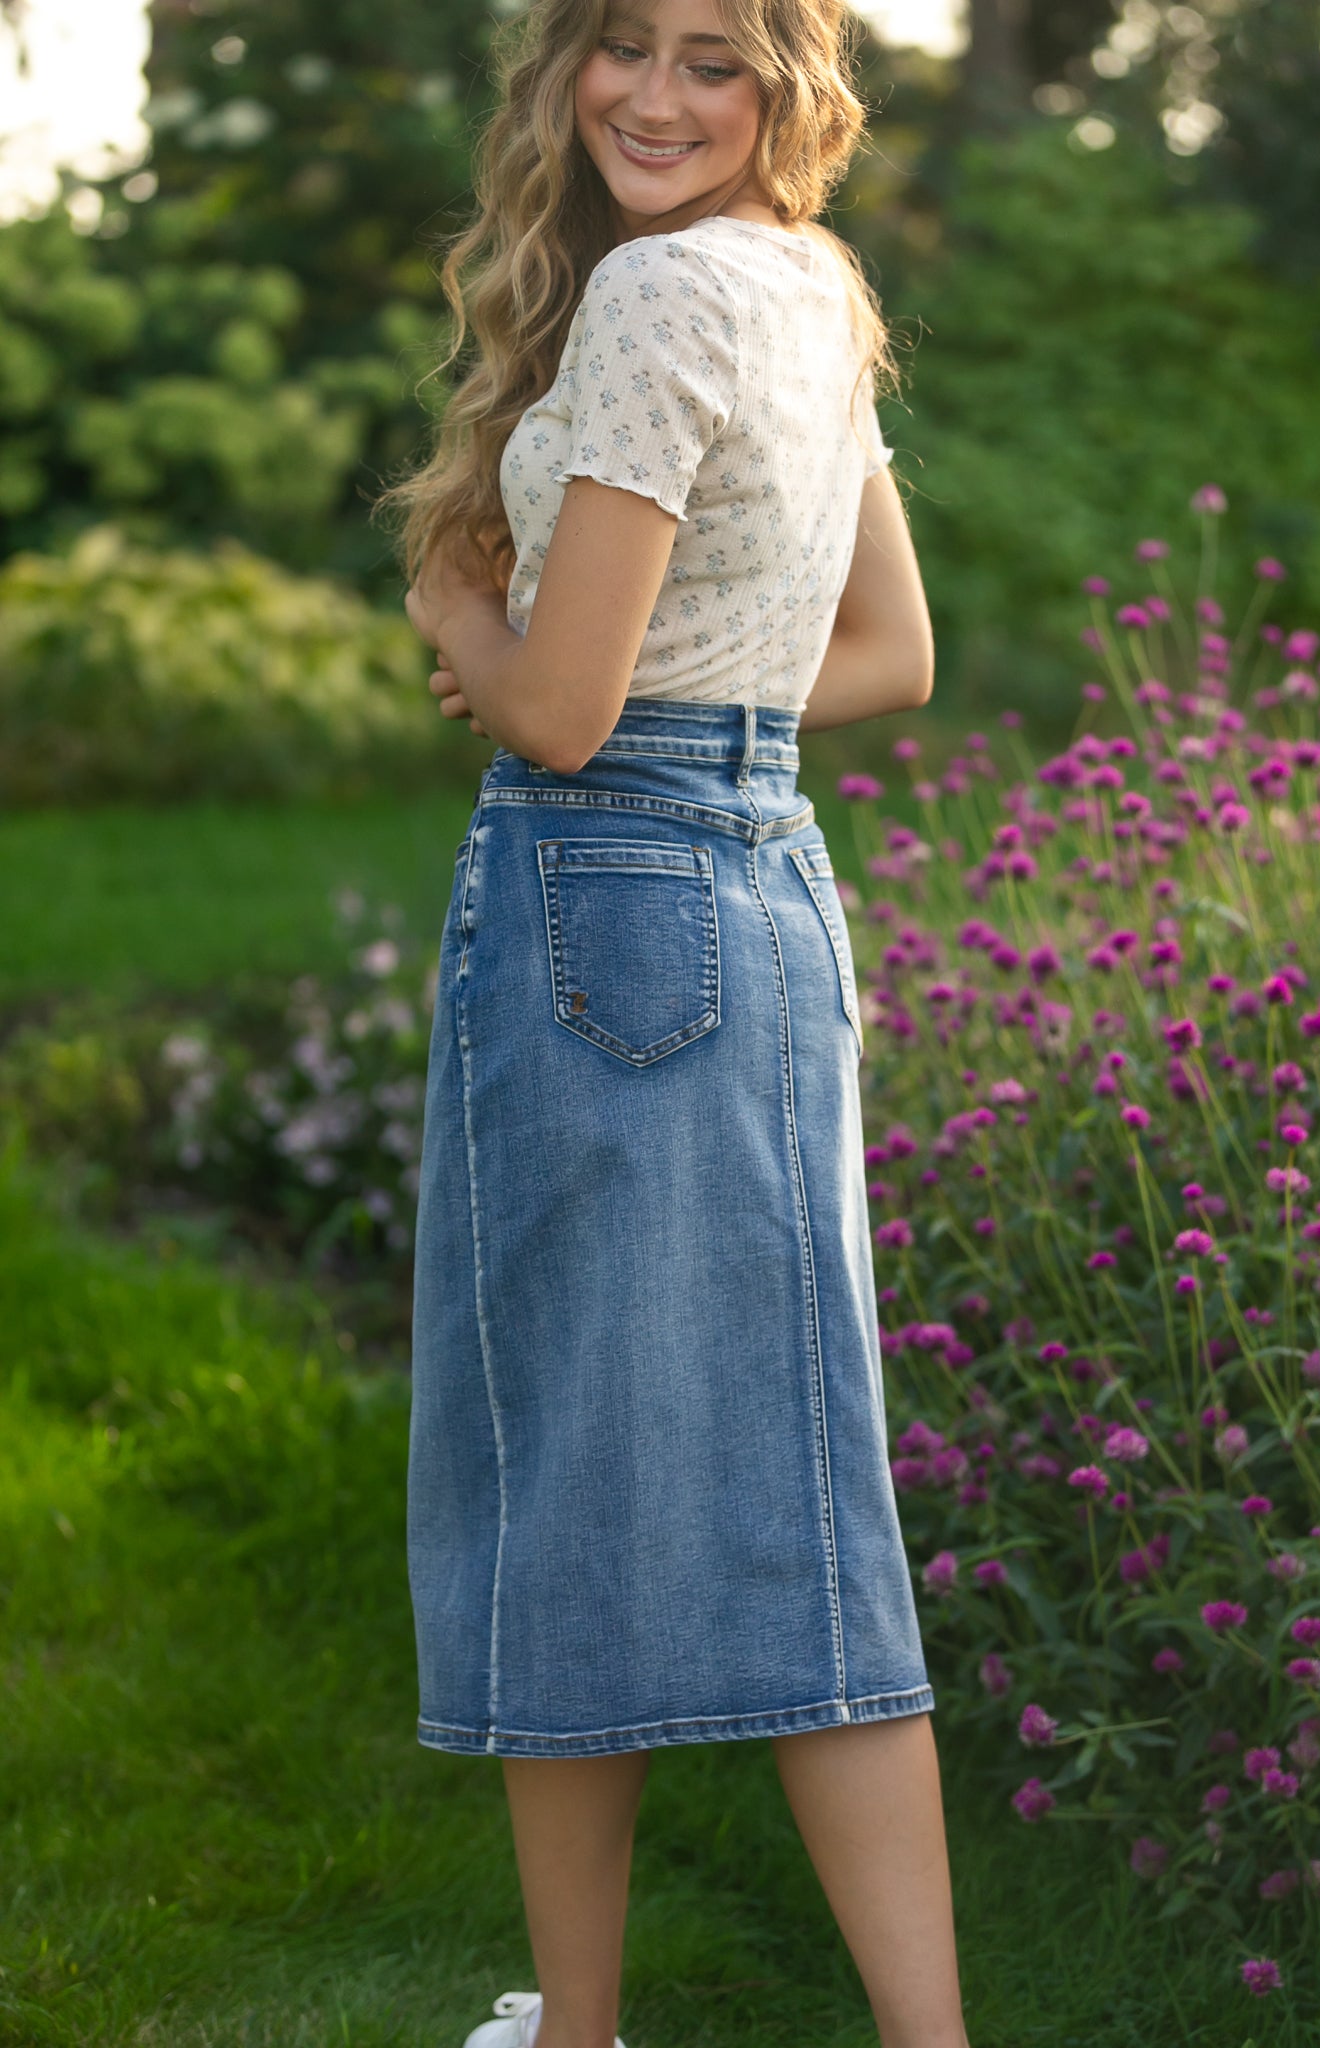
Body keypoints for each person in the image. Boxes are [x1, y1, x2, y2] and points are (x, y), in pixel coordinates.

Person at [377, 3, 966, 2045]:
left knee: (566, 1479)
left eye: (715, 57)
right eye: (622, 44)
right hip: (769, 891)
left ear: (789, 88)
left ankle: (590, 2032)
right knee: (806, 1488)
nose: (653, 93)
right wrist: (684, 686)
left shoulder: (655, 292)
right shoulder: (814, 287)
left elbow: (555, 709)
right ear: (565, 68)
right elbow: (891, 655)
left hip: (597, 894)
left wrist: (460, 608)